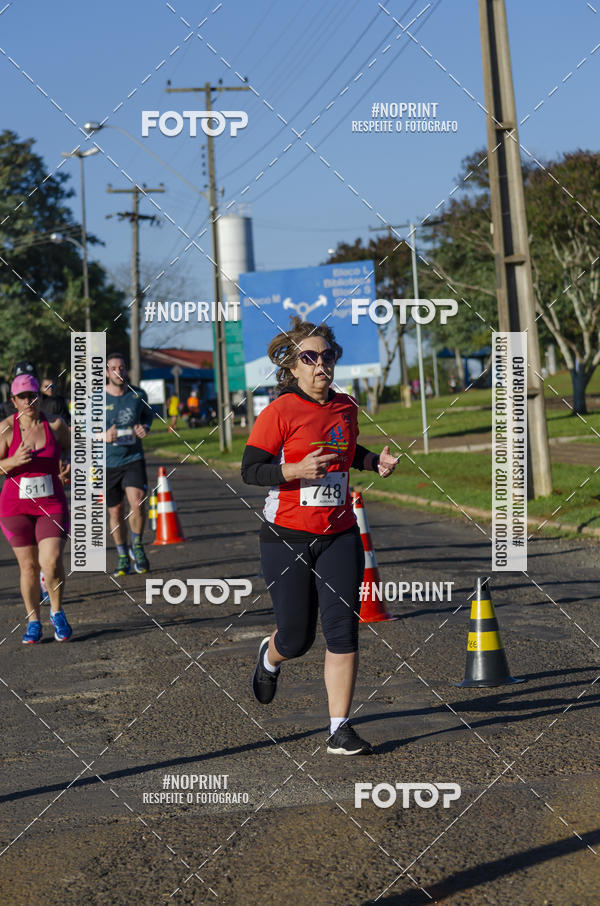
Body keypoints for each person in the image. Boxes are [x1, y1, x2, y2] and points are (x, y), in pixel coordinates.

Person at [241, 317, 398, 756]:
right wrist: (293, 470)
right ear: (293, 366)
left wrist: (374, 463)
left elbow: (347, 455)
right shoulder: (278, 412)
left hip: (340, 533)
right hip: (286, 536)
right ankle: (270, 657)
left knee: (343, 630)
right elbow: (251, 469)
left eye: (327, 356)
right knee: (297, 637)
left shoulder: (346, 406)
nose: (320, 364)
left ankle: (339, 729)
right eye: (309, 358)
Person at [0, 373, 72, 643]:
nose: (29, 400)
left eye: (33, 395)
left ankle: (57, 611)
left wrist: (68, 465)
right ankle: (33, 621)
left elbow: (72, 448)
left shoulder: (54, 424)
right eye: (23, 397)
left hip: (50, 503)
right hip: (15, 508)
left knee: (51, 561)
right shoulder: (6, 429)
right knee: (29, 567)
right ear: (14, 400)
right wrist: (13, 461)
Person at [104, 353, 154, 576]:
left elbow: (148, 416)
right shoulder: (97, 399)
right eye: (113, 368)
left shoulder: (138, 394)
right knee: (115, 512)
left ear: (127, 370)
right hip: (107, 462)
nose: (118, 372)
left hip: (133, 458)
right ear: (106, 372)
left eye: (122, 367)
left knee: (138, 503)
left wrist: (145, 427)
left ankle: (137, 546)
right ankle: (123, 554)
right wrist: (102, 436)